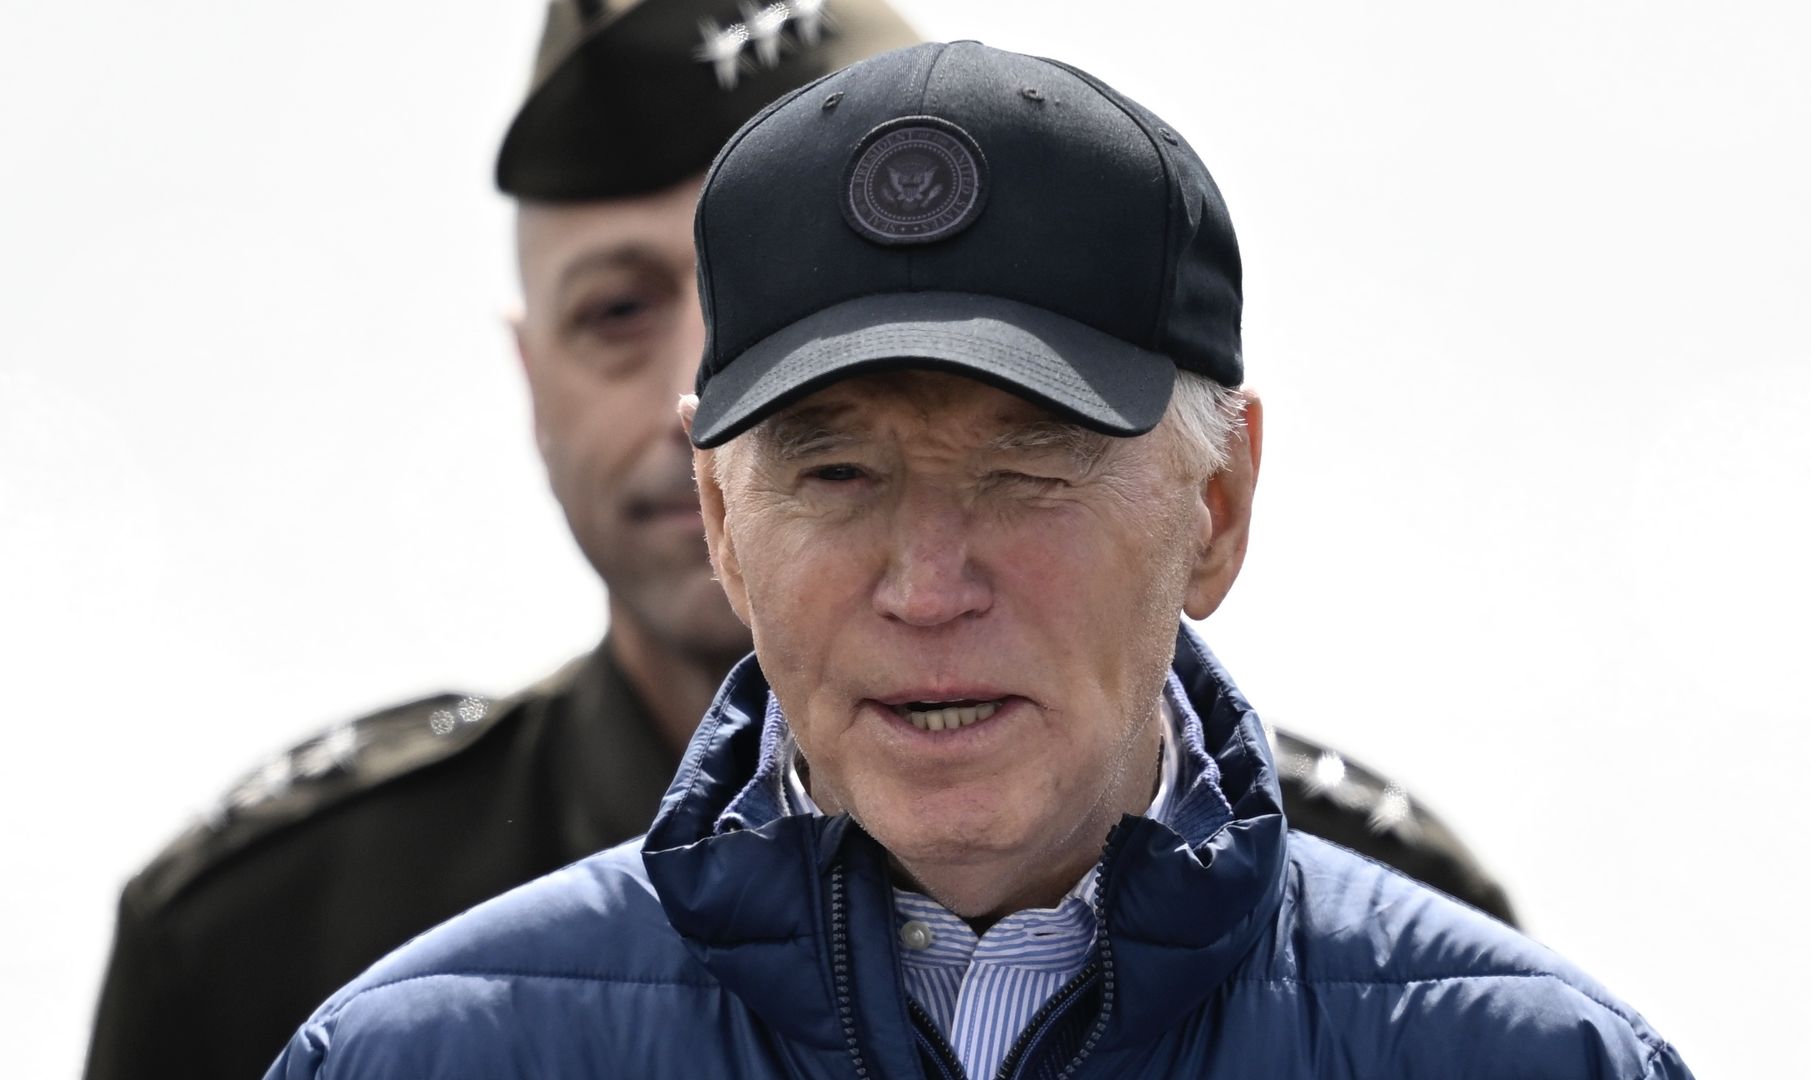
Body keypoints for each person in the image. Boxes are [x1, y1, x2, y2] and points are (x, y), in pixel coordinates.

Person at [88, 4, 1507, 1078]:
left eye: (1015, 446)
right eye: (617, 311)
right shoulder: (285, 948)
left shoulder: (1420, 983)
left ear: (1211, 502)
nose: (676, 404)